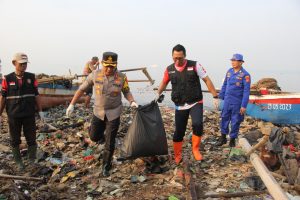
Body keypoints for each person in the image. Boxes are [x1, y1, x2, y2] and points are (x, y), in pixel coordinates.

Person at [66, 52, 138, 176]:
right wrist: (72, 104)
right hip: (98, 112)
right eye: (107, 66)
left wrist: (132, 101)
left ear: (116, 65)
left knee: (110, 142)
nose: (109, 69)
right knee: (94, 137)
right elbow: (81, 89)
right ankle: (100, 135)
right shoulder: (94, 75)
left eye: (112, 66)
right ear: (102, 64)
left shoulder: (122, 77)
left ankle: (106, 165)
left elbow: (126, 91)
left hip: (114, 113)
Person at [155, 44, 219, 164]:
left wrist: (215, 96)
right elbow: (164, 82)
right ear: (172, 56)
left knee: (198, 124)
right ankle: (177, 154)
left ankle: (195, 149)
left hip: (196, 101)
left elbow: (207, 80)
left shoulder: (195, 65)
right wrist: (157, 94)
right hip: (180, 104)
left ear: (185, 55)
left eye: (180, 58)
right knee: (179, 131)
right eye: (175, 58)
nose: (177, 60)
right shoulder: (169, 69)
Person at [0, 53, 45, 170]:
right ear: (14, 63)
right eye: (21, 64)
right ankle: (19, 162)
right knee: (15, 139)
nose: (24, 66)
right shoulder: (7, 79)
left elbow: (36, 95)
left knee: (31, 138)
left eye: (25, 63)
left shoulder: (31, 77)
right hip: (13, 115)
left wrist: (40, 111)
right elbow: (3, 97)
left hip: (29, 114)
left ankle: (31, 160)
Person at [217, 54, 251, 147]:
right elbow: (224, 85)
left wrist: (244, 105)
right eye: (232, 60)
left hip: (237, 102)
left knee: (235, 121)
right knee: (224, 118)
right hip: (227, 101)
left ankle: (232, 140)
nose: (233, 62)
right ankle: (223, 138)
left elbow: (246, 91)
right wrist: (220, 98)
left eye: (235, 60)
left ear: (241, 62)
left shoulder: (245, 75)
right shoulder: (229, 72)